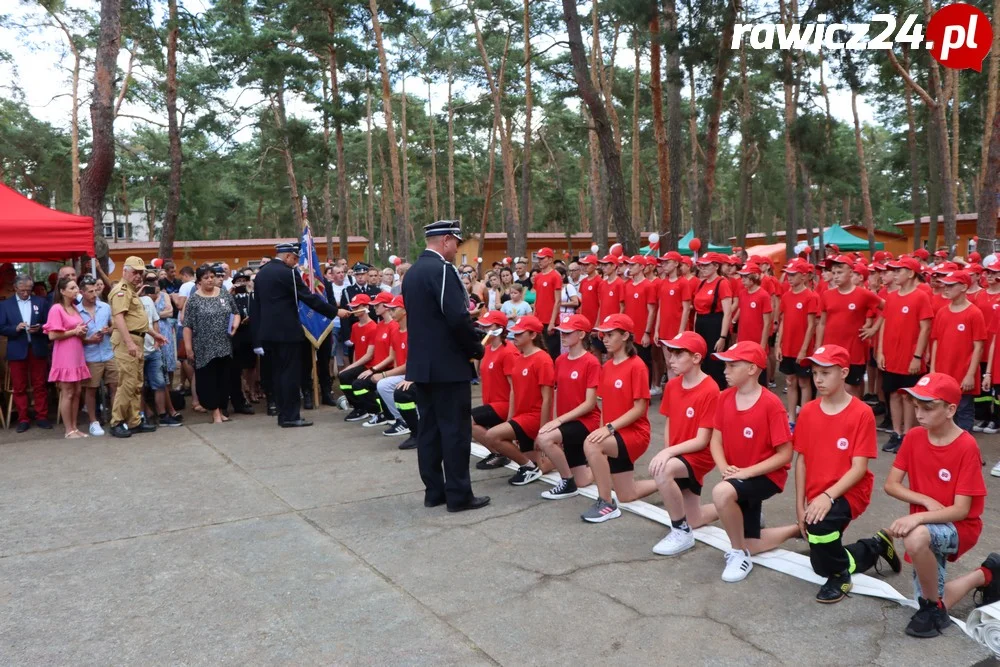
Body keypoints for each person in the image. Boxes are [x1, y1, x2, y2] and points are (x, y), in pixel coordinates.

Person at [868, 373, 989, 637]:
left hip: (960, 527)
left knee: (915, 537)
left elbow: (962, 510)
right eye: (916, 407)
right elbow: (891, 484)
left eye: (927, 407)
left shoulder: (966, 445)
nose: (919, 414)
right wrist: (924, 501)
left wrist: (918, 518)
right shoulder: (913, 437)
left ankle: (931, 607)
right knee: (936, 594)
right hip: (930, 525)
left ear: (951, 410)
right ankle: (986, 573)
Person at [789, 344, 892, 603]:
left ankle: (840, 576)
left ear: (844, 373)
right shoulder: (809, 410)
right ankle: (875, 546)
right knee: (818, 564)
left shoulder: (861, 413)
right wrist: (800, 506)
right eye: (814, 373)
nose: (818, 379)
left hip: (849, 491)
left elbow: (859, 469)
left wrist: (827, 496)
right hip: (818, 492)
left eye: (826, 372)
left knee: (820, 530)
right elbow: (801, 460)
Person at [402, 220, 487, 512]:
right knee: (455, 433)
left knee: (429, 431)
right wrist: (476, 348)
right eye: (456, 244)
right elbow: (456, 317)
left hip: (422, 366)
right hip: (447, 366)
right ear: (446, 240)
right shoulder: (440, 270)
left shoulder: (413, 272)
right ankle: (459, 496)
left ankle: (434, 492)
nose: (456, 250)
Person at [709, 341, 799, 582]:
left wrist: (746, 472)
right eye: (725, 365)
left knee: (721, 493)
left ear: (751, 369)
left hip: (765, 476)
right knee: (751, 541)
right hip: (738, 476)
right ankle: (797, 529)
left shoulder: (771, 405)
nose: (725, 370)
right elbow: (715, 441)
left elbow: (785, 455)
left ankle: (739, 555)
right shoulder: (724, 397)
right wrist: (724, 468)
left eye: (732, 365)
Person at [250, 243, 338, 427]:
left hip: (267, 333)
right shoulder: (288, 273)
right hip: (287, 332)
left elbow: (256, 307)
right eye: (295, 259)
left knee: (277, 375)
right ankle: (291, 416)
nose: (296, 263)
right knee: (290, 375)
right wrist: (334, 311)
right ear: (288, 256)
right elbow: (308, 296)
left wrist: (257, 336)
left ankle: (283, 414)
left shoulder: (262, 274)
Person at [648, 331, 721, 555]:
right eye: (671, 354)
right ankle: (742, 508)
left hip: (699, 454)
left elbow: (702, 440)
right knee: (694, 517)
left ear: (697, 358)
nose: (671, 359)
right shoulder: (672, 386)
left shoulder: (710, 389)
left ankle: (681, 531)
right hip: (680, 453)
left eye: (679, 355)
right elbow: (670, 423)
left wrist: (669, 455)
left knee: (662, 471)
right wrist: (669, 451)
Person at [578, 313, 656, 522]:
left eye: (610, 334)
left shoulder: (637, 365)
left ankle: (606, 503)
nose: (604, 338)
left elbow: (640, 409)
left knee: (592, 445)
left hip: (635, 434)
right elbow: (605, 405)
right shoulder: (608, 366)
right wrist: (602, 429)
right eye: (603, 334)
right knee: (627, 494)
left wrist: (608, 429)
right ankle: (669, 481)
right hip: (615, 433)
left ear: (625, 336)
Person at [481, 315, 554, 486]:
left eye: (520, 334)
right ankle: (537, 465)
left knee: (492, 435)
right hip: (521, 416)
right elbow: (513, 391)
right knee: (540, 466)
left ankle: (529, 467)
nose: (515, 336)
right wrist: (510, 418)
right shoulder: (520, 358)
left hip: (533, 417)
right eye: (515, 333)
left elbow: (548, 398)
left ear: (533, 335)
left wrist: (542, 431)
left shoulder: (543, 359)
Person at [535, 313, 600, 499]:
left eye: (567, 332)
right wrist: (557, 420)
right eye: (561, 332)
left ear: (581, 334)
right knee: (583, 480)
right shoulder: (560, 360)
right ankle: (604, 464)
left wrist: (558, 421)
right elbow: (558, 392)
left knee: (545, 438)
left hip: (586, 422)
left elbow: (590, 404)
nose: (562, 335)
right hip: (568, 422)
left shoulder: (591, 362)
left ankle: (566, 482)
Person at [877, 256, 934, 453]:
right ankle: (896, 432)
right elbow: (884, 324)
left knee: (908, 397)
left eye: (898, 270)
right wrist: (880, 351)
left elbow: (925, 328)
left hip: (909, 357)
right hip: (891, 355)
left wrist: (917, 356)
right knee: (893, 394)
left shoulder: (920, 297)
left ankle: (908, 434)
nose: (894, 274)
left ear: (910, 273)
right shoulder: (891, 297)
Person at [109, 256, 167, 438]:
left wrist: (154, 334)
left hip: (137, 340)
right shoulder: (121, 291)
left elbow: (137, 321)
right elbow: (119, 319)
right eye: (135, 272)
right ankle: (117, 421)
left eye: (140, 273)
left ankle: (134, 421)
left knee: (136, 384)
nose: (138, 276)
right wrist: (129, 343)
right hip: (129, 342)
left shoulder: (132, 291)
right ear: (125, 271)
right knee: (127, 383)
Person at [815, 256, 883, 398]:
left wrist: (874, 329)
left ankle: (854, 419)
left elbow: (887, 307)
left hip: (854, 352)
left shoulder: (863, 294)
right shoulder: (827, 295)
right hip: (830, 352)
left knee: (851, 389)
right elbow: (822, 323)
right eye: (833, 273)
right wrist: (818, 347)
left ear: (851, 273)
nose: (836, 276)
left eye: (840, 272)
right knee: (829, 388)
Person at [928, 270, 985, 436]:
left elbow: (978, 347)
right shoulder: (942, 312)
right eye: (945, 285)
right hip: (943, 373)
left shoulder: (974, 313)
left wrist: (970, 374)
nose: (946, 288)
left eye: (951, 285)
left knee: (963, 412)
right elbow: (936, 341)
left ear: (964, 287)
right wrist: (932, 370)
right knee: (942, 412)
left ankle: (965, 452)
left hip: (962, 374)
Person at [183, 265, 239, 425]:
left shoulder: (223, 294)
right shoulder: (194, 299)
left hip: (224, 345)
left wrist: (235, 325)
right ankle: (214, 412)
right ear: (199, 281)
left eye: (212, 277)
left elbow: (235, 312)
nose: (210, 280)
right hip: (204, 347)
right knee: (208, 380)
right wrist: (188, 348)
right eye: (206, 277)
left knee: (224, 379)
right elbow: (187, 325)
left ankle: (221, 409)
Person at [0, 274, 52, 432]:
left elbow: (49, 324)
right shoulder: (5, 305)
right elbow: (1, 327)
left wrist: (40, 328)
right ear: (15, 288)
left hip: (37, 346)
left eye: (28, 290)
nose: (25, 293)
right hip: (17, 347)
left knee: (40, 385)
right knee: (19, 386)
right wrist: (14, 328)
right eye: (22, 290)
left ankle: (42, 416)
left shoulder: (41, 302)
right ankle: (23, 418)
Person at [44, 276, 91, 438]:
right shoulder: (56, 308)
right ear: (62, 291)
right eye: (71, 288)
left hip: (77, 352)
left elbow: (76, 329)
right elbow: (52, 335)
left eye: (76, 287)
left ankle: (75, 427)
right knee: (68, 392)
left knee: (77, 391)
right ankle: (68, 430)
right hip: (64, 354)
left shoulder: (75, 308)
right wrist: (74, 332)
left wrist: (82, 331)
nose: (76, 290)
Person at [473, 310, 519, 470]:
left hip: (503, 403)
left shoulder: (508, 352)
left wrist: (511, 416)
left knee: (466, 420)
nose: (484, 330)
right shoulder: (487, 349)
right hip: (492, 402)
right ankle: (499, 451)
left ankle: (501, 453)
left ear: (499, 328)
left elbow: (515, 387)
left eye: (488, 326)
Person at [775, 259, 819, 428]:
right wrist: (779, 344)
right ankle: (791, 417)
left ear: (803, 276)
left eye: (793, 275)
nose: (789, 278)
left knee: (804, 382)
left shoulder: (811, 296)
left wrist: (803, 350)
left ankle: (805, 419)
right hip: (787, 347)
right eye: (788, 275)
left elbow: (811, 326)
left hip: (803, 349)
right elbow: (784, 321)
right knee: (790, 382)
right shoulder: (786, 296)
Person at [374, 295, 418, 447]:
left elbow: (410, 363)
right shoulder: (395, 331)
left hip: (414, 374)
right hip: (404, 374)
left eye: (394, 309)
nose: (390, 311)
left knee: (387, 385)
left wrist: (384, 374)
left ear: (404, 311)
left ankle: (412, 420)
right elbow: (394, 358)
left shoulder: (413, 332)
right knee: (383, 385)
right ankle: (402, 419)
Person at [350, 291, 397, 428]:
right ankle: (378, 412)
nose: (374, 308)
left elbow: (391, 356)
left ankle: (389, 415)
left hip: (387, 368)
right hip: (378, 366)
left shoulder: (393, 326)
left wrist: (373, 370)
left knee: (362, 384)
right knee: (357, 383)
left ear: (387, 307)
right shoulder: (380, 325)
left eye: (378, 305)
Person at [78, 276, 117, 436]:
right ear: (82, 293)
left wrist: (110, 329)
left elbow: (114, 323)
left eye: (95, 290)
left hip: (108, 352)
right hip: (90, 355)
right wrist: (88, 340)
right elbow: (75, 337)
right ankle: (93, 421)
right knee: (91, 389)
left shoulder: (105, 307)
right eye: (90, 291)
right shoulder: (76, 311)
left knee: (115, 385)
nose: (94, 294)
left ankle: (116, 419)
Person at [692, 253, 735, 390]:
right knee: (702, 361)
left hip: (715, 324)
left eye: (706, 265)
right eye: (701, 265)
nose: (702, 268)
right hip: (701, 323)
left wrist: (722, 337)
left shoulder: (722, 283)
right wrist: (694, 332)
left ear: (716, 266)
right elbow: (697, 311)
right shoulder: (702, 283)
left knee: (715, 362)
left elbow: (727, 312)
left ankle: (719, 393)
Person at [338, 294, 378, 422]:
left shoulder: (373, 327)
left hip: (369, 365)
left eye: (357, 306)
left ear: (366, 307)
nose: (354, 309)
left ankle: (365, 408)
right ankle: (358, 406)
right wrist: (353, 365)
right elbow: (356, 349)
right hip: (360, 364)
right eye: (353, 307)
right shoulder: (355, 326)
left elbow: (369, 355)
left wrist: (351, 367)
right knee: (344, 376)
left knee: (346, 376)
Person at [734, 263, 773, 385]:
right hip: (743, 339)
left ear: (755, 277)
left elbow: (767, 323)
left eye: (746, 277)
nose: (743, 280)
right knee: (744, 372)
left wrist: (762, 345)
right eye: (742, 277)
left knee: (759, 374)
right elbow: (743, 313)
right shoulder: (742, 293)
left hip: (757, 341)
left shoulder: (763, 295)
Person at [654, 252, 693, 375]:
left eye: (667, 262)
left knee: (680, 364)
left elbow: (686, 308)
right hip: (665, 329)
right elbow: (661, 307)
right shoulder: (662, 283)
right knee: (669, 363)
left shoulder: (683, 283)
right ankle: (672, 391)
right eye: (663, 263)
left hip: (677, 329)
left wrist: (681, 331)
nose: (664, 265)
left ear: (676, 264)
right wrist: (657, 330)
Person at [621, 255, 657, 377]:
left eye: (633, 265)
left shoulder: (648, 285)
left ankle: (645, 390)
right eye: (629, 265)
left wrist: (647, 333)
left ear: (642, 267)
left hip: (642, 332)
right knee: (628, 361)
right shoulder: (627, 285)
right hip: (629, 332)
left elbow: (651, 310)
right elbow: (625, 308)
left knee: (644, 362)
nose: (629, 268)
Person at [531, 248, 563, 359]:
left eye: (542, 258)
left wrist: (552, 322)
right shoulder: (538, 277)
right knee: (539, 351)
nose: (539, 261)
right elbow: (537, 298)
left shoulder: (555, 276)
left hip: (550, 322)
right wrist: (533, 317)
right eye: (538, 258)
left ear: (550, 260)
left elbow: (558, 300)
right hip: (538, 320)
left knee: (552, 353)